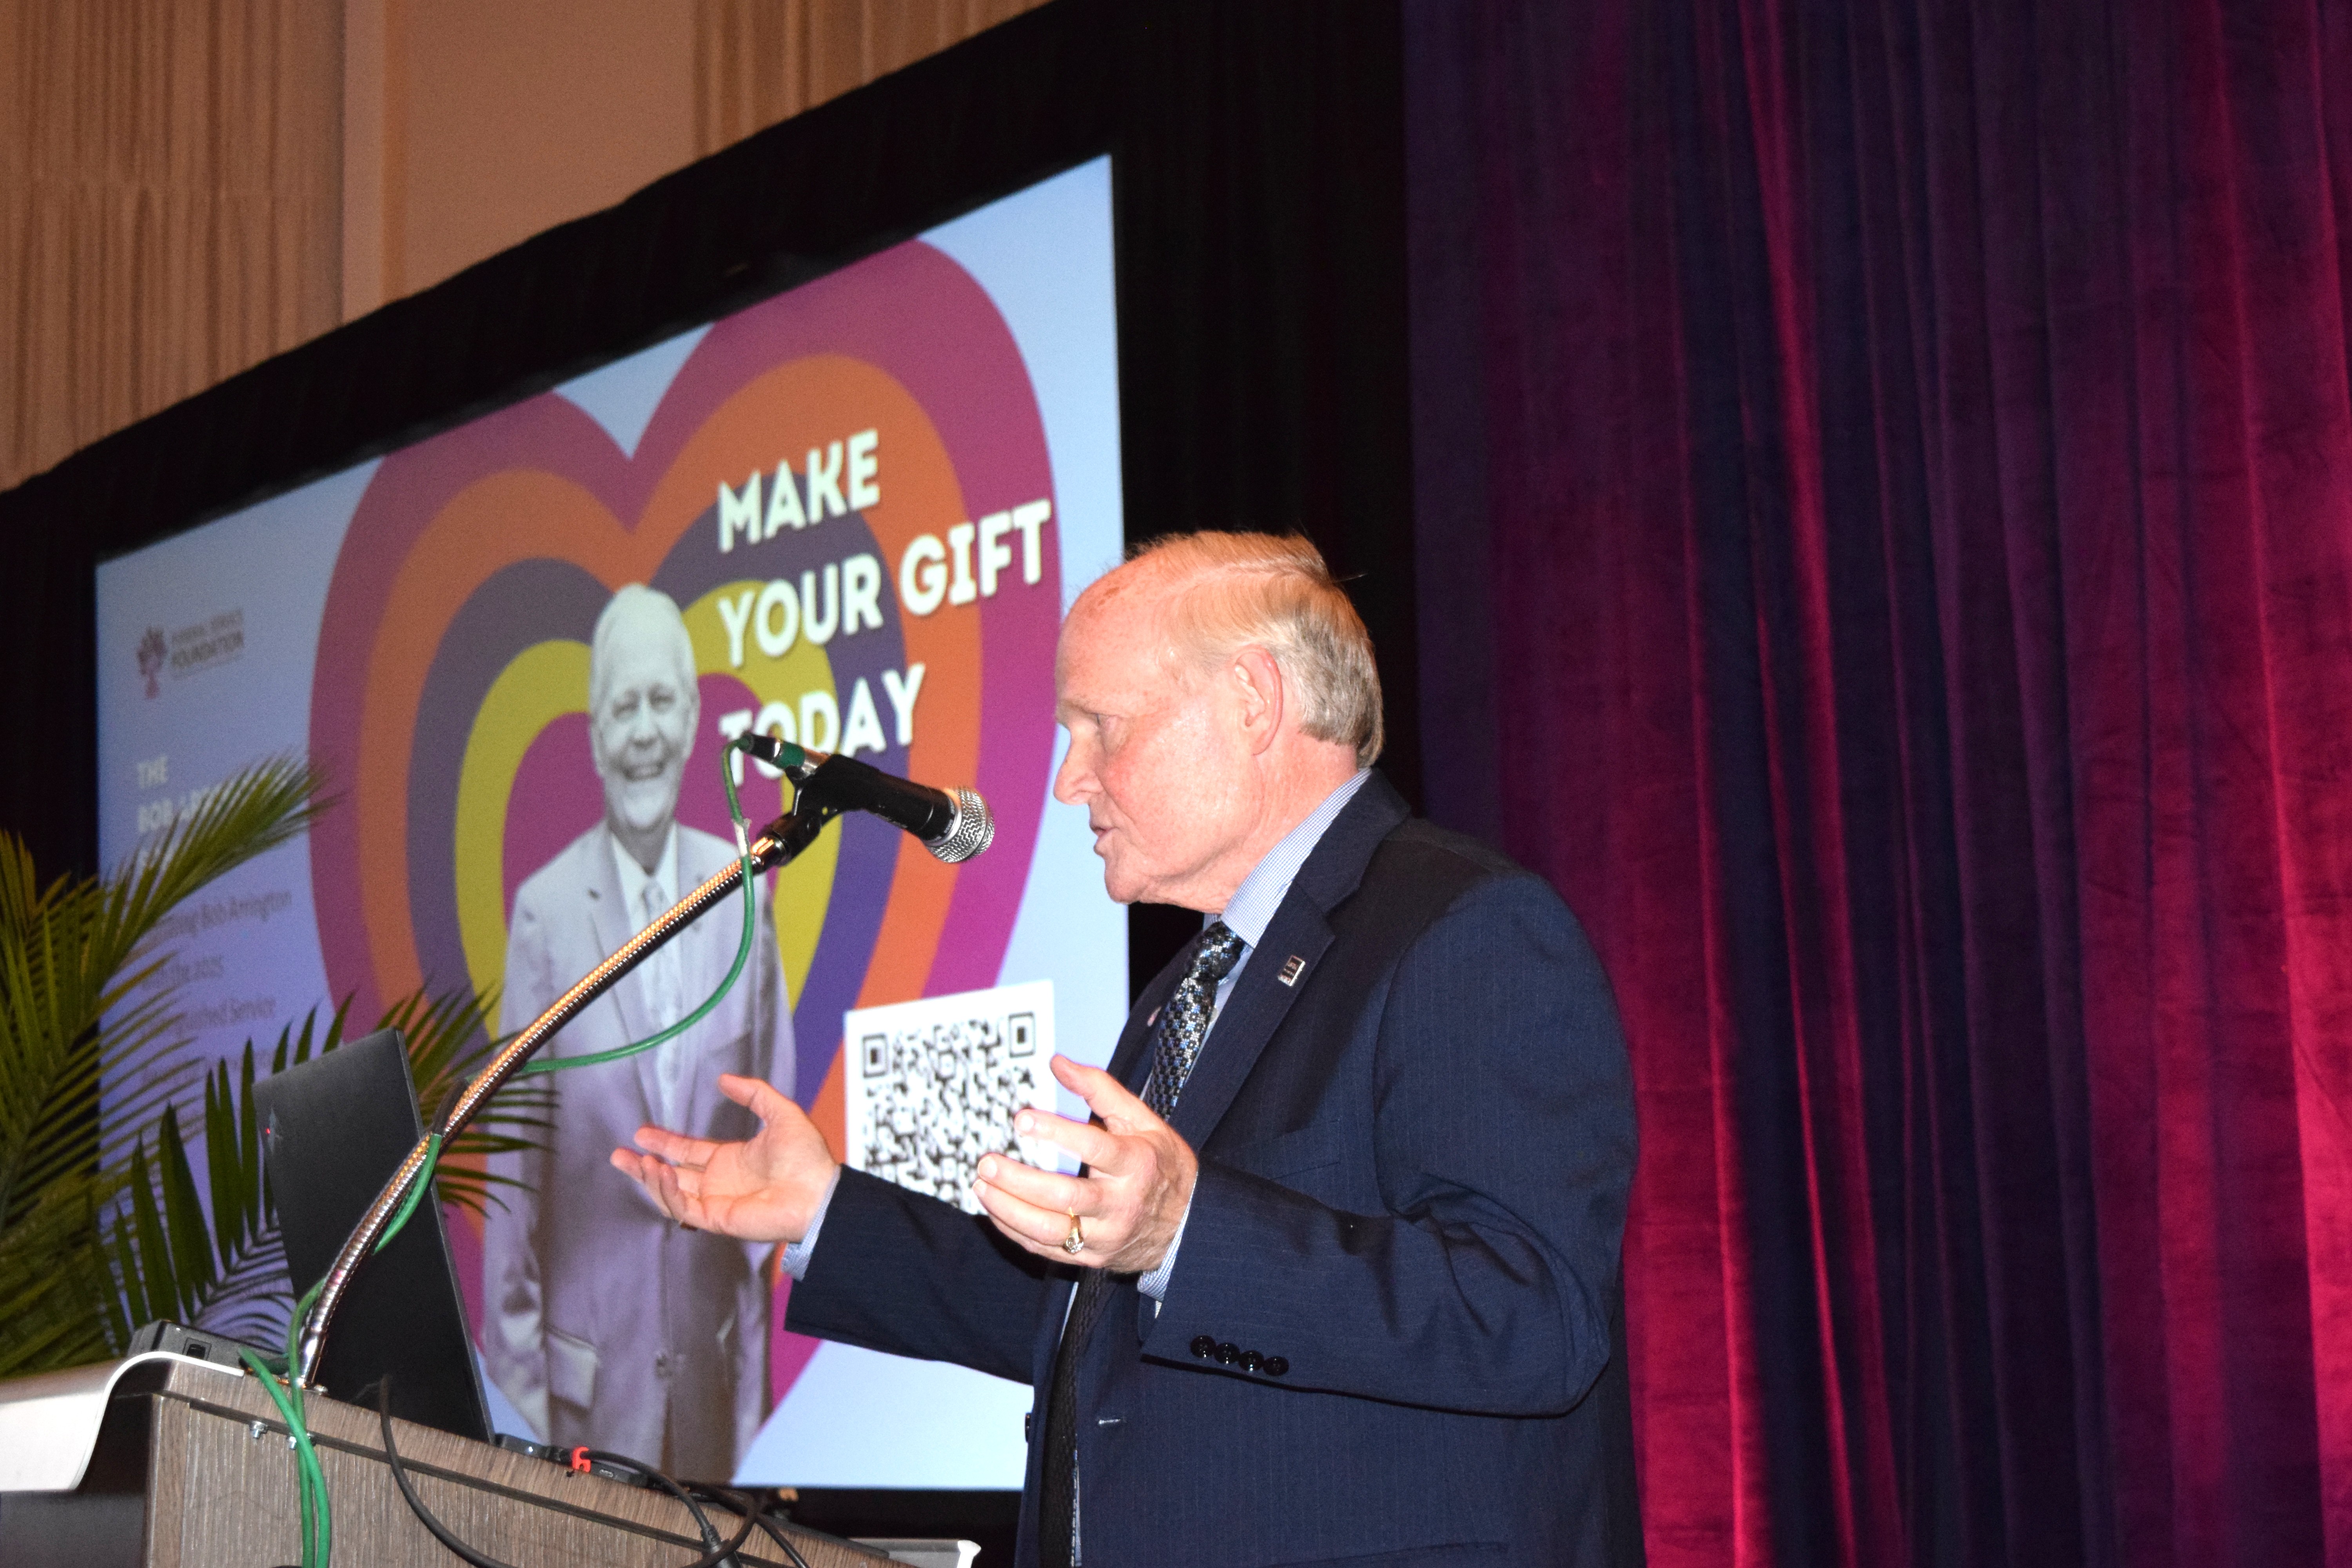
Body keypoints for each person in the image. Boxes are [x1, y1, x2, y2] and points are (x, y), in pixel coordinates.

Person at [613, 535, 1640, 1563]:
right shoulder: (1191, 984)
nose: (1071, 781)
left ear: (1253, 701)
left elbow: (1533, 1315)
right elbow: (1098, 1323)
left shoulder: (1465, 930)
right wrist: (827, 1212)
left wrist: (1187, 1232)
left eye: (1101, 727)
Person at [486, 582, 796, 1479]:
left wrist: (752, 1397)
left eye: (663, 700)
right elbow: (511, 1180)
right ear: (594, 738)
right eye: (624, 707)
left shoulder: (743, 891)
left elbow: (770, 1145)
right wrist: (529, 1414)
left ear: (695, 718)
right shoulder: (544, 913)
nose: (646, 731)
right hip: (581, 1415)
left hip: (714, 1404)